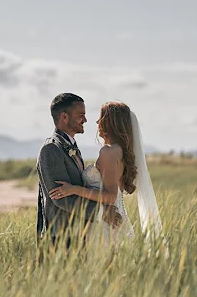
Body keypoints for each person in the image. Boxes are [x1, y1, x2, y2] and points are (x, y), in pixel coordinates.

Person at [48, 101, 163, 247]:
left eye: (101, 118)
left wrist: (73, 189)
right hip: (114, 217)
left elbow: (110, 196)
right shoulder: (118, 151)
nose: (97, 122)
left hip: (106, 225)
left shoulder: (108, 152)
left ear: (110, 123)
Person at [35, 93, 102, 251]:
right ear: (64, 117)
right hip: (59, 236)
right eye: (81, 115)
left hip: (76, 232)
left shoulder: (70, 146)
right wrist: (99, 212)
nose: (85, 120)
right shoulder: (51, 148)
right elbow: (60, 198)